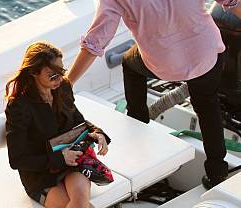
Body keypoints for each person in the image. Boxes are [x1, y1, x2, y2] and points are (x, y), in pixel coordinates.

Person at [66, 0, 241, 189]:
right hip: (206, 56)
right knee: (207, 108)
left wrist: (67, 83)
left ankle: (139, 128)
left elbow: (94, 43)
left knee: (130, 64)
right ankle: (217, 173)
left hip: (163, 64)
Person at [5, 41, 109, 208]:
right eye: (53, 74)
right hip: (41, 173)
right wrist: (58, 159)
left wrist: (98, 133)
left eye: (62, 71)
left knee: (81, 195)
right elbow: (17, 159)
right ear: (34, 72)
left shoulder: (63, 88)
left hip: (72, 161)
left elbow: (78, 121)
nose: (60, 78)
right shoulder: (19, 107)